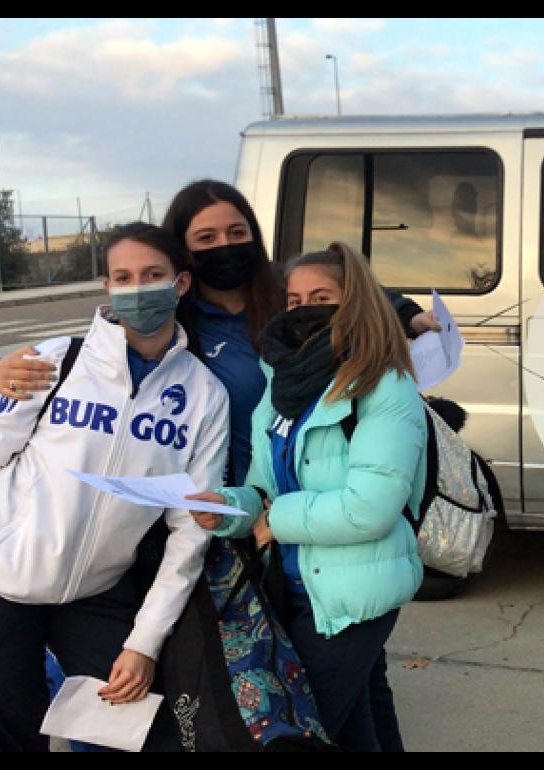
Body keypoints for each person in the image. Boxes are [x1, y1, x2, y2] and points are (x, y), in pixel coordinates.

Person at [0, 179, 439, 488]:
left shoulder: (291, 299)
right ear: (182, 252)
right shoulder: (172, 328)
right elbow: (101, 363)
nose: (224, 245)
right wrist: (0, 373)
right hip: (218, 506)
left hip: (315, 493)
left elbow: (350, 290)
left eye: (236, 231)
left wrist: (408, 314)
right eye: (206, 238)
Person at [0, 222, 230, 752]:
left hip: (97, 591)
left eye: (153, 274)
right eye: (123, 276)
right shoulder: (56, 360)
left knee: (126, 736)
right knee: (10, 739)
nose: (138, 288)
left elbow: (190, 531)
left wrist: (144, 643)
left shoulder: (205, 394)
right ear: (107, 286)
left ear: (181, 283)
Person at [185, 241, 428, 752]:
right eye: (294, 301)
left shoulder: (384, 385)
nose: (305, 310)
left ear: (356, 302)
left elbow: (370, 508)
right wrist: (229, 509)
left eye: (323, 296)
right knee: (358, 724)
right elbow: (264, 487)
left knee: (306, 730)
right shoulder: (283, 383)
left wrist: (276, 521)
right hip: (297, 585)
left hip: (353, 594)